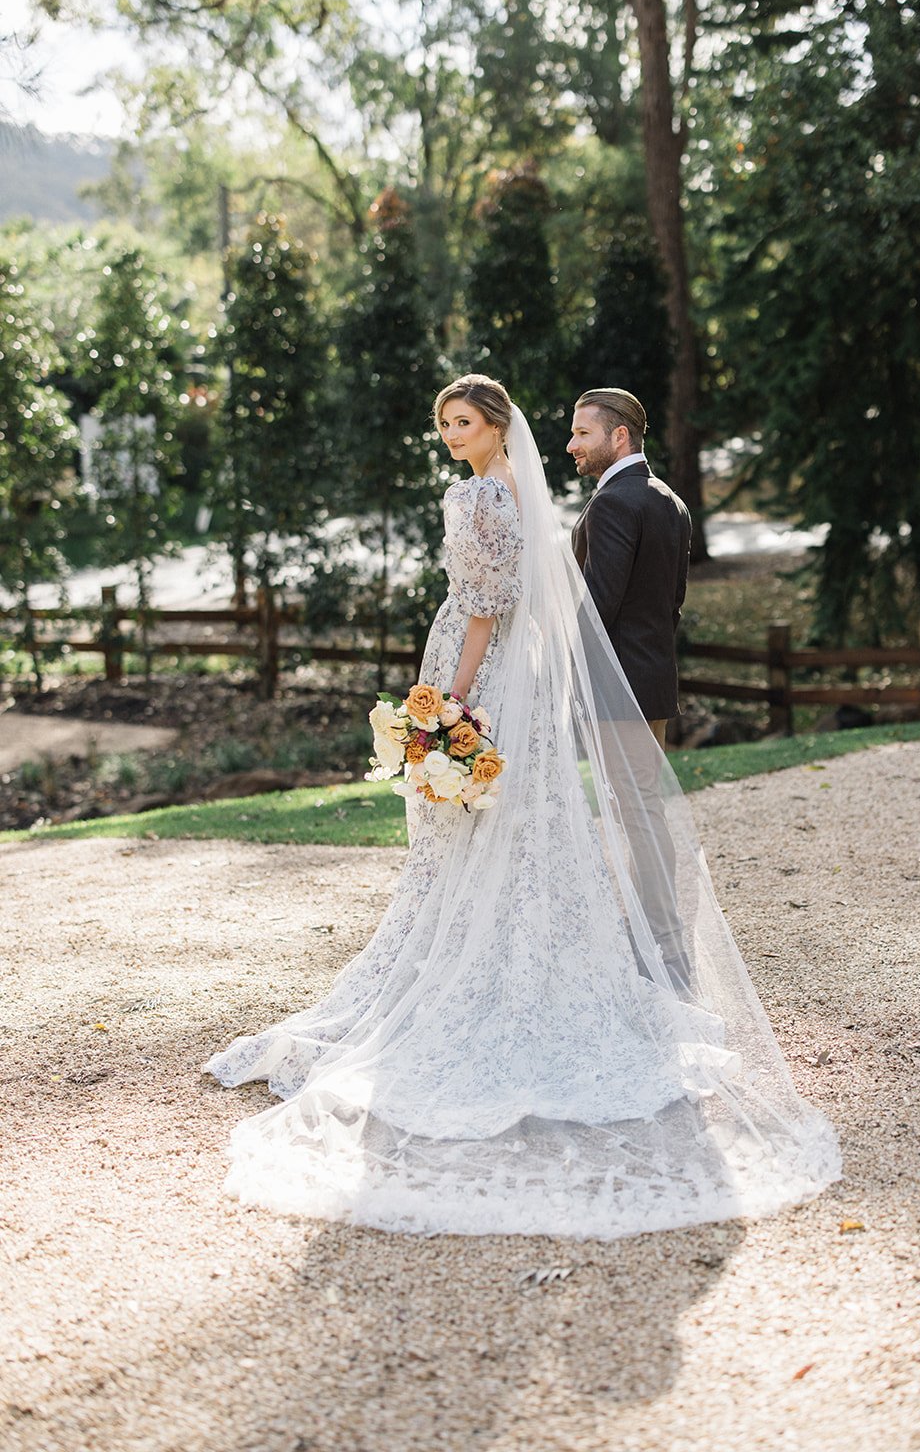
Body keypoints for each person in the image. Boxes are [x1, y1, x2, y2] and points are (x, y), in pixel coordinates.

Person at [204, 375, 840, 1237]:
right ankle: (626, 947)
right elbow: (622, 600)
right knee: (571, 819)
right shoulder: (630, 498)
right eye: (443, 424)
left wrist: (450, 704)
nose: (448, 436)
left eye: (461, 422)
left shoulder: (483, 497)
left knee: (522, 817)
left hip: (497, 673)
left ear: (497, 425)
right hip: (594, 678)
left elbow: (503, 608)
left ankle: (579, 949)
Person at [568, 389, 692, 986]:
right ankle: (660, 938)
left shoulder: (615, 502)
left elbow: (597, 606)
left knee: (636, 811)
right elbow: (671, 604)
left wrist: (554, 665)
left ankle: (664, 948)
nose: (572, 445)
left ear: (619, 437)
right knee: (643, 809)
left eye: (582, 433)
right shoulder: (669, 500)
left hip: (617, 689)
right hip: (653, 682)